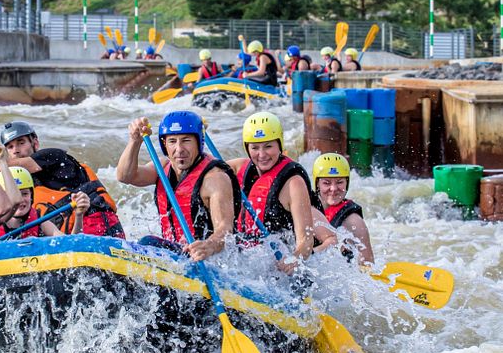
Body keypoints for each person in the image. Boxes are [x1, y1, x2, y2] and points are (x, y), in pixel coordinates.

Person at [0, 125, 125, 238]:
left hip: (98, 226)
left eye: (21, 143)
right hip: (68, 232)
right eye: (10, 147)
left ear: (35, 143)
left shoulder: (53, 156)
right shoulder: (19, 181)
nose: (16, 150)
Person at [116, 111, 241, 261]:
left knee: (148, 243)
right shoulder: (162, 167)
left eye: (186, 140)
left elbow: (225, 230)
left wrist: (209, 245)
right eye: (172, 141)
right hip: (177, 254)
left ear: (199, 142)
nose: (179, 149)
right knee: (142, 246)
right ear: (164, 145)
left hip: (208, 260)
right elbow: (125, 176)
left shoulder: (215, 178)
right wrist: (134, 141)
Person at [225, 112, 335, 274]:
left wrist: (294, 259)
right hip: (251, 261)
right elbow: (208, 170)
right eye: (255, 147)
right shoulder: (240, 167)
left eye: (268, 146)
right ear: (247, 148)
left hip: (288, 268)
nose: (262, 155)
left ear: (280, 145)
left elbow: (306, 241)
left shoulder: (293, 184)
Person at [0, 166, 90, 238]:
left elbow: (71, 245)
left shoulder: (41, 222)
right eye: (13, 194)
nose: (20, 199)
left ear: (32, 196)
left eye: (25, 194)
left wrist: (79, 215)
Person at [312, 153, 374, 265]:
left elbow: (368, 265)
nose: (333, 188)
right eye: (326, 183)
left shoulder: (354, 221)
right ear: (317, 184)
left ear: (347, 183)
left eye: (340, 182)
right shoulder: (308, 208)